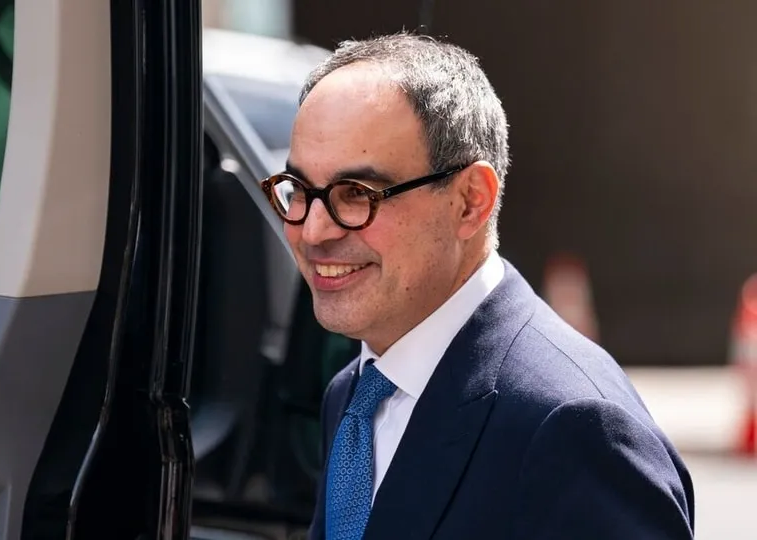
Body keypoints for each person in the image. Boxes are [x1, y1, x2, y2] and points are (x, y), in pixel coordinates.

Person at [260, 32, 695, 540]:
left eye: (356, 193)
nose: (312, 230)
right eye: (299, 191)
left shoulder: (573, 426)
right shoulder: (354, 392)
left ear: (471, 201)